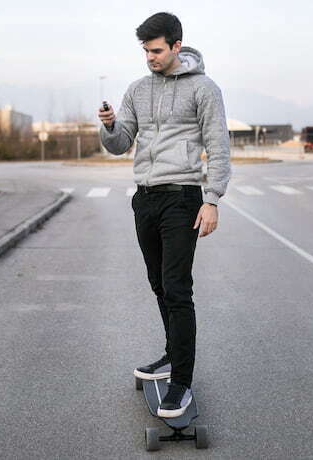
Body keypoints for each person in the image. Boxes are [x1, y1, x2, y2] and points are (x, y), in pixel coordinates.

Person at [97, 12, 231, 418]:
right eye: (145, 51)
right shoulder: (138, 89)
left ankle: (182, 383)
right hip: (146, 198)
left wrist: (212, 199)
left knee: (176, 288)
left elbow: (219, 146)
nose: (150, 57)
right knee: (158, 284)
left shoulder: (204, 89)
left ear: (176, 46)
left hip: (184, 198)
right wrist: (108, 125)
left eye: (156, 50)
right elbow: (120, 145)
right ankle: (172, 356)